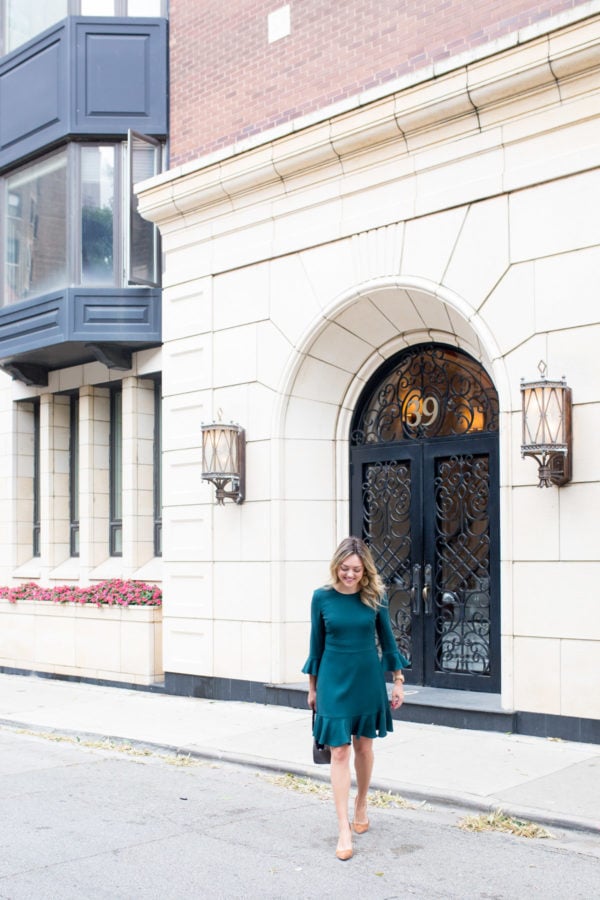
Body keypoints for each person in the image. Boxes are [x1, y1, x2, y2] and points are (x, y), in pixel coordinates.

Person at [302, 536, 408, 861]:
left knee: (364, 746)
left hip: (367, 679)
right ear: (337, 566)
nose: (350, 575)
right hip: (333, 681)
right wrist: (312, 687)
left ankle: (362, 801)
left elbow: (388, 641)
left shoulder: (374, 596)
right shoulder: (321, 597)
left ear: (365, 570)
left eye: (357, 570)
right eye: (345, 569)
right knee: (338, 752)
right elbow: (315, 645)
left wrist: (399, 681)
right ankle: (343, 828)